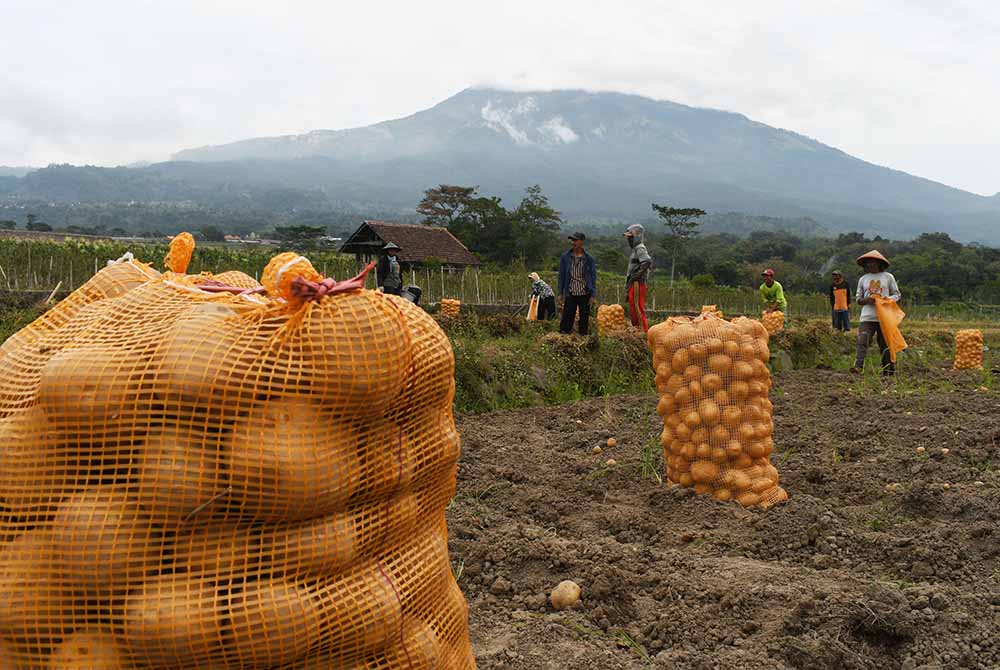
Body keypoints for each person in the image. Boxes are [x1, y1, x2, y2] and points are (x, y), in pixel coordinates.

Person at [852, 250, 901, 376]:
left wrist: (885, 300)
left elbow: (897, 295)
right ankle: (858, 367)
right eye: (867, 263)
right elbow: (858, 299)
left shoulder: (888, 277)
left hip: (884, 317)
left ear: (879, 263)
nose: (870, 264)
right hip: (867, 317)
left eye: (872, 262)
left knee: (885, 344)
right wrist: (867, 300)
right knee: (862, 341)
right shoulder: (863, 279)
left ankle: (888, 370)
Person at [557, 232, 597, 335]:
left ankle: (583, 338)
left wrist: (593, 295)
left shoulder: (589, 259)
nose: (573, 242)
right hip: (571, 292)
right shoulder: (565, 257)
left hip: (584, 293)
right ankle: (563, 336)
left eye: (575, 240)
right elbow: (561, 276)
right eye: (572, 240)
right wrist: (560, 293)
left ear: (582, 242)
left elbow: (593, 277)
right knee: (567, 317)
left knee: (584, 318)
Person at [624, 224, 652, 332]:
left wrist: (636, 276)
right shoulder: (635, 249)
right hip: (634, 282)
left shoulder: (640, 248)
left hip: (638, 283)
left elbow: (647, 261)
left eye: (631, 237)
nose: (629, 240)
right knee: (632, 306)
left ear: (637, 236)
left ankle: (643, 332)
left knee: (637, 307)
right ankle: (636, 329)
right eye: (628, 238)